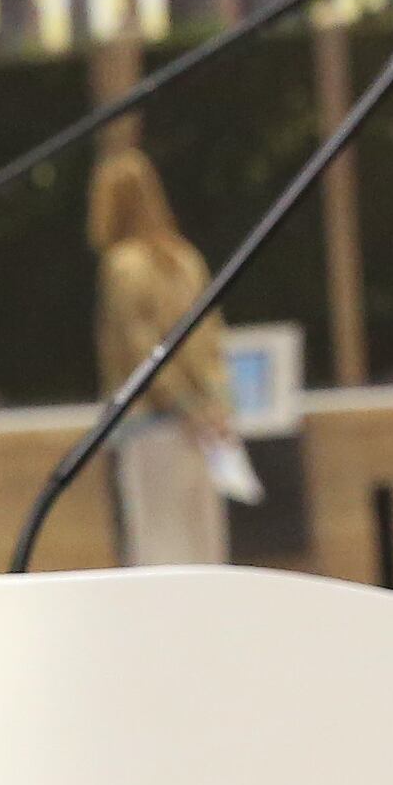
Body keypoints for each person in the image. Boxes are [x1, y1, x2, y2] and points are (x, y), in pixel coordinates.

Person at [87, 146, 241, 565]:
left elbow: (142, 350)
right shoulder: (187, 260)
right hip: (205, 429)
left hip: (153, 426)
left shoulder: (122, 266)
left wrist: (182, 405)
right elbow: (211, 341)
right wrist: (216, 406)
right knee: (205, 550)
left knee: (158, 552)